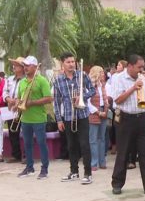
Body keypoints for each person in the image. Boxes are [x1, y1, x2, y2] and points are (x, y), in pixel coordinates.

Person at [110, 54, 145, 195]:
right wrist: (133, 88)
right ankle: (117, 183)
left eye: (142, 67)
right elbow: (118, 99)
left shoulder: (142, 79)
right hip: (125, 119)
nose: (141, 70)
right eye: (139, 67)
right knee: (123, 152)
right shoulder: (119, 79)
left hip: (142, 118)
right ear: (130, 66)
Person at [54, 53, 95, 184]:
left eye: (73, 61)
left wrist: (82, 96)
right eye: (68, 62)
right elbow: (56, 101)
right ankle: (74, 172)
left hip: (82, 115)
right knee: (71, 146)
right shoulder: (58, 80)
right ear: (62, 64)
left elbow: (93, 90)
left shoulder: (82, 75)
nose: (71, 64)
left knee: (84, 145)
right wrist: (59, 120)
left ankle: (88, 173)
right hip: (67, 116)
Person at [16, 56, 53, 179]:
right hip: (25, 119)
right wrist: (17, 103)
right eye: (24, 65)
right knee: (27, 144)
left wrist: (32, 102)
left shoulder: (42, 80)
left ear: (35, 67)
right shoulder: (22, 82)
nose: (25, 68)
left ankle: (44, 169)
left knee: (42, 143)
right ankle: (29, 167)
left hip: (38, 119)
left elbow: (49, 98)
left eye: (28, 65)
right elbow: (19, 98)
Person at [3, 57, 25, 164]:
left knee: (25, 132)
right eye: (14, 65)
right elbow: (5, 91)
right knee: (13, 132)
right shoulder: (9, 79)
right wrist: (8, 99)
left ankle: (26, 155)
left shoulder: (26, 79)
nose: (14, 67)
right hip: (11, 108)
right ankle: (16, 155)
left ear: (22, 67)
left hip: (22, 108)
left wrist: (18, 102)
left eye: (16, 65)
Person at [87, 65, 109, 171]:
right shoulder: (89, 85)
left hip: (103, 110)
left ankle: (102, 162)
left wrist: (105, 110)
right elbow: (87, 102)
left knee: (102, 138)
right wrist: (98, 112)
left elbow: (105, 99)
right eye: (100, 72)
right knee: (93, 139)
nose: (103, 74)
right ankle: (94, 162)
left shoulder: (102, 85)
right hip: (93, 112)